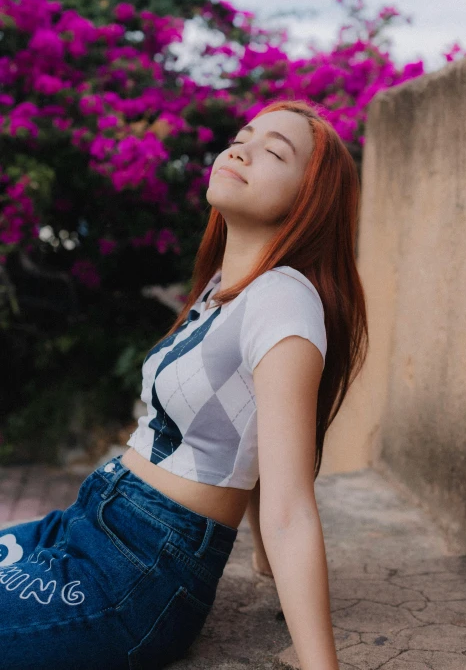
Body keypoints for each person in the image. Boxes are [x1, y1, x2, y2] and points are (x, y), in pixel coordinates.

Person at [0, 99, 368, 670]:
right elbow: (243, 432)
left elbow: (290, 505)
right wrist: (265, 563)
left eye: (273, 151)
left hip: (137, 569)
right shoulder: (229, 288)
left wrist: (320, 663)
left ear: (309, 201)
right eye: (243, 136)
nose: (241, 148)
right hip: (90, 521)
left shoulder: (284, 300)